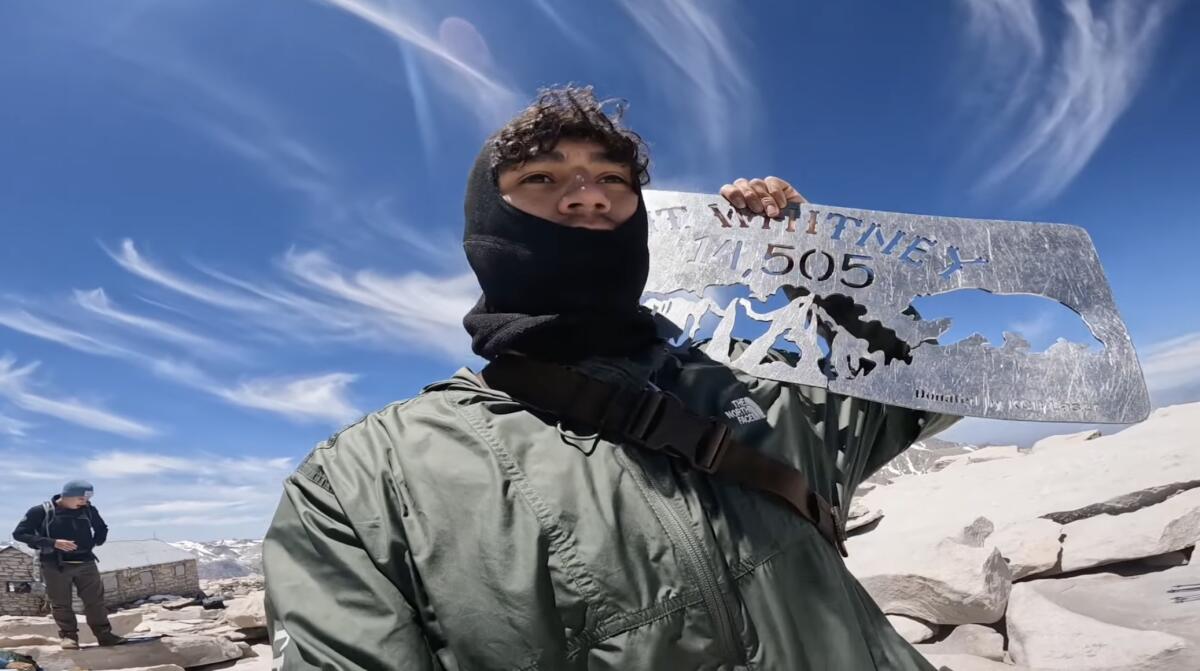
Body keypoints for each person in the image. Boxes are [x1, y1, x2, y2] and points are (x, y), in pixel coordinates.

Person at [263, 85, 958, 670]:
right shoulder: (366, 482)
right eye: (541, 178)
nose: (587, 197)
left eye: (612, 180)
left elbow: (925, 385)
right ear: (485, 222)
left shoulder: (760, 388)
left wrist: (821, 267)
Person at [12, 479, 128, 649]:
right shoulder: (41, 511)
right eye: (81, 499)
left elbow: (102, 528)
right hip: (54, 564)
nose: (85, 502)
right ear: (68, 495)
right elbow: (20, 534)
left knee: (95, 601)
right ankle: (69, 637)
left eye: (87, 499)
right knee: (61, 602)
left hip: (86, 562)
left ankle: (104, 635)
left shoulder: (88, 510)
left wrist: (94, 542)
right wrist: (53, 543)